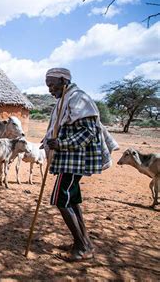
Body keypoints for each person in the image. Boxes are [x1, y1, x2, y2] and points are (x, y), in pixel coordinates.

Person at [43, 67, 105, 262]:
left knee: (60, 200)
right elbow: (62, 127)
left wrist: (61, 144)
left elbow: (89, 132)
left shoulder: (78, 98)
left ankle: (81, 247)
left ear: (63, 80)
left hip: (72, 161)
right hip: (68, 159)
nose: (50, 90)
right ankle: (85, 241)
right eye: (48, 86)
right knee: (72, 200)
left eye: (52, 85)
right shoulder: (65, 99)